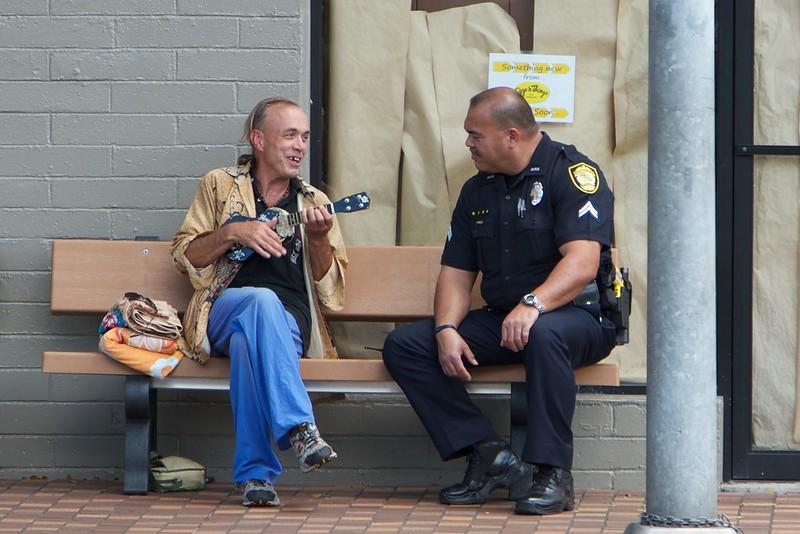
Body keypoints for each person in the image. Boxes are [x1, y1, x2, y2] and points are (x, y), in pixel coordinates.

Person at [382, 87, 617, 515]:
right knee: (407, 346)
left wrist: (533, 304)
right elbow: (456, 272)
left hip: (579, 318)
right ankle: (489, 455)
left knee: (545, 334)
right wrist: (446, 329)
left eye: (475, 134)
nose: (468, 143)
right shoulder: (478, 190)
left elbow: (583, 262)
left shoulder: (573, 173)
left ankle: (552, 473)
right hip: (507, 318)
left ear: (511, 136)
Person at [170, 97, 348, 507]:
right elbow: (185, 256)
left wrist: (318, 240)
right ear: (259, 140)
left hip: (289, 320)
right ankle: (299, 425)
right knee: (258, 302)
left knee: (251, 342)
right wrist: (236, 233)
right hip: (223, 308)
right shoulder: (219, 185)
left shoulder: (314, 203)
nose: (300, 146)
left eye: (304, 137)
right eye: (289, 135)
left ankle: (255, 476)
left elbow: (331, 293)